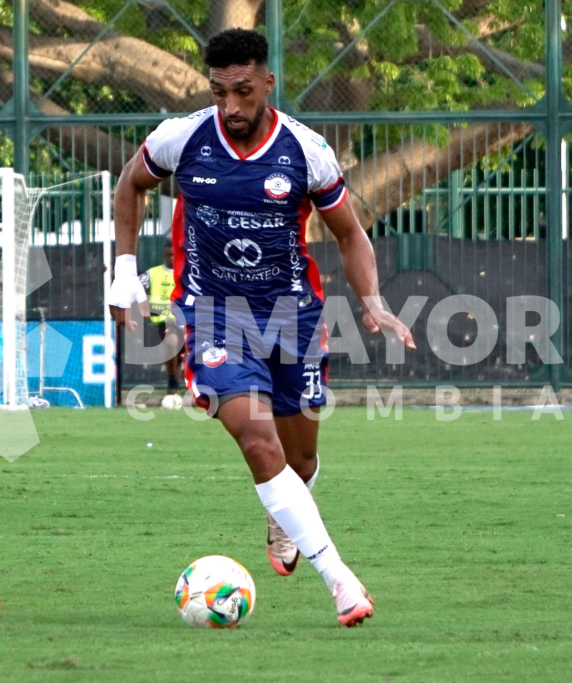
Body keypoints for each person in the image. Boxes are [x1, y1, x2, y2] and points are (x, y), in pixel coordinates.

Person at [108, 29, 415, 627]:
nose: (230, 106)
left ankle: (285, 509)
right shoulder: (182, 139)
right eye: (219, 92)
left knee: (300, 460)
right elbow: (130, 184)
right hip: (212, 315)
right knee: (256, 437)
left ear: (267, 84)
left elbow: (350, 234)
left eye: (243, 91)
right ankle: (341, 580)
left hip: (291, 317)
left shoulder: (305, 150)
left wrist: (374, 302)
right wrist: (123, 273)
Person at [138, 235, 184, 399]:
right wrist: (143, 305)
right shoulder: (153, 273)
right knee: (171, 345)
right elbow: (137, 286)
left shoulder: (187, 272)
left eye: (174, 255)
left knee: (185, 351)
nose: (171, 258)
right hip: (164, 321)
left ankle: (183, 380)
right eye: (168, 255)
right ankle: (172, 380)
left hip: (187, 320)